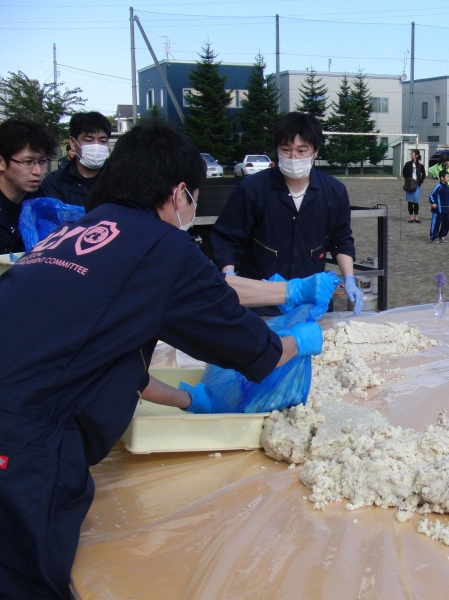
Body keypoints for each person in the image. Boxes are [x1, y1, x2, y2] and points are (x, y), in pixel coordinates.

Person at [0, 122, 338, 599]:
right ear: (180, 193)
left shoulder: (80, 232)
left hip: (19, 409)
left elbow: (107, 357)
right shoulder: (162, 245)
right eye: (194, 197)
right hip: (23, 441)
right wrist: (301, 340)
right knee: (24, 577)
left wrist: (188, 399)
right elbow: (253, 349)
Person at [211, 112, 364, 315]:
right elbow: (227, 238)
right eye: (286, 150)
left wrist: (349, 279)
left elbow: (341, 240)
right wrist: (230, 277)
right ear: (277, 150)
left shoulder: (334, 191)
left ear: (315, 151)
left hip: (311, 301)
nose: (293, 157)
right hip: (259, 301)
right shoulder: (253, 188)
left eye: (302, 151)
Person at [0, 118, 58, 254]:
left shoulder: (42, 203)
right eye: (28, 162)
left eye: (42, 162)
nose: (37, 171)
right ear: (1, 162)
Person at [38, 111, 112, 206]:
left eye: (103, 140)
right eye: (89, 140)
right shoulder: (54, 182)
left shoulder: (120, 180)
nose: (96, 146)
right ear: (73, 143)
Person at [428, 153, 449, 222]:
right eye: (444, 163)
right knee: (442, 202)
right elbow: (430, 170)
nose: (446, 164)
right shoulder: (438, 166)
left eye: (447, 162)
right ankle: (439, 215)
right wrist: (437, 175)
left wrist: (448, 169)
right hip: (442, 188)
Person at [429, 170, 449, 243]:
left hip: (446, 209)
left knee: (447, 222)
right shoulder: (438, 186)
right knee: (436, 223)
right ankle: (433, 237)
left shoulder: (448, 187)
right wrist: (433, 203)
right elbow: (431, 195)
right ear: (442, 178)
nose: (448, 178)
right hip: (438, 209)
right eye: (447, 177)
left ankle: (441, 235)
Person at [402, 148, 426, 223]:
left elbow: (423, 174)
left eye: (412, 153)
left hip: (417, 185)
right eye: (411, 153)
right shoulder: (407, 164)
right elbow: (404, 173)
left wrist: (420, 180)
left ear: (416, 155)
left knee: (416, 201)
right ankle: (411, 217)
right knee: (410, 201)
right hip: (409, 184)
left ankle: (416, 217)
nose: (411, 155)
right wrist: (408, 180)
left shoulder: (420, 165)